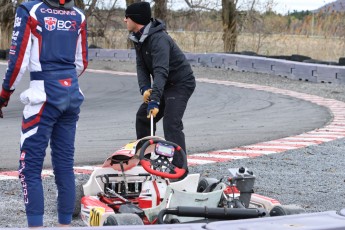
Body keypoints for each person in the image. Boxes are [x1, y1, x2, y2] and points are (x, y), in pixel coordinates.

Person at [0, 0, 88, 227]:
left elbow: (17, 61)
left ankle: (36, 225)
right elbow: (82, 62)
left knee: (29, 167)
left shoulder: (30, 10)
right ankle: (64, 224)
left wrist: (4, 95)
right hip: (71, 93)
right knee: (64, 164)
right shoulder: (79, 15)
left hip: (42, 96)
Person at [124, 2, 196, 171]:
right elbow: (141, 66)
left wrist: (155, 100)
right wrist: (145, 89)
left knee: (171, 123)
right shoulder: (139, 38)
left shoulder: (159, 39)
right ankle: (145, 161)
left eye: (127, 17)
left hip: (180, 83)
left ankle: (180, 169)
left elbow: (161, 71)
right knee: (143, 117)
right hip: (163, 84)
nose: (124, 20)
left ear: (136, 18)